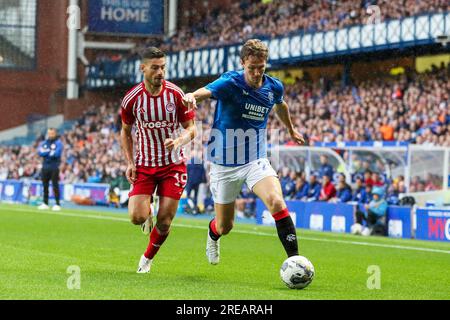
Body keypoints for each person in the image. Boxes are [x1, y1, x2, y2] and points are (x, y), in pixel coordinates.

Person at [183, 39, 305, 265]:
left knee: (276, 202)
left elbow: (281, 105)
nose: (257, 72)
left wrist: (290, 129)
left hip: (254, 160)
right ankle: (212, 234)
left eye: (261, 67)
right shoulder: (230, 82)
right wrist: (192, 96)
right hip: (223, 164)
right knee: (224, 226)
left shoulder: (274, 86)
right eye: (252, 68)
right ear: (242, 63)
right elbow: (207, 90)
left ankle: (295, 261)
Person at [120, 47, 197, 273]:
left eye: (163, 67)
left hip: (173, 165)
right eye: (155, 67)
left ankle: (147, 258)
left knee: (165, 222)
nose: (160, 72)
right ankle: (146, 213)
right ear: (142, 68)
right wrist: (130, 162)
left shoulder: (176, 95)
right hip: (144, 165)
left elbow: (192, 129)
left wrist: (180, 141)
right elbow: (125, 131)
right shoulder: (132, 99)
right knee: (136, 217)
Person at [37, 128, 63, 211]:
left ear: (55, 134)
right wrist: (49, 152)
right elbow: (40, 152)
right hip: (45, 167)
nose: (50, 135)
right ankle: (45, 203)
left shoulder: (58, 143)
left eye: (52, 133)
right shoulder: (44, 143)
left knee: (55, 185)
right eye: (49, 133)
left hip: (54, 167)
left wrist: (46, 152)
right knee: (45, 186)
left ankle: (57, 204)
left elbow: (56, 154)